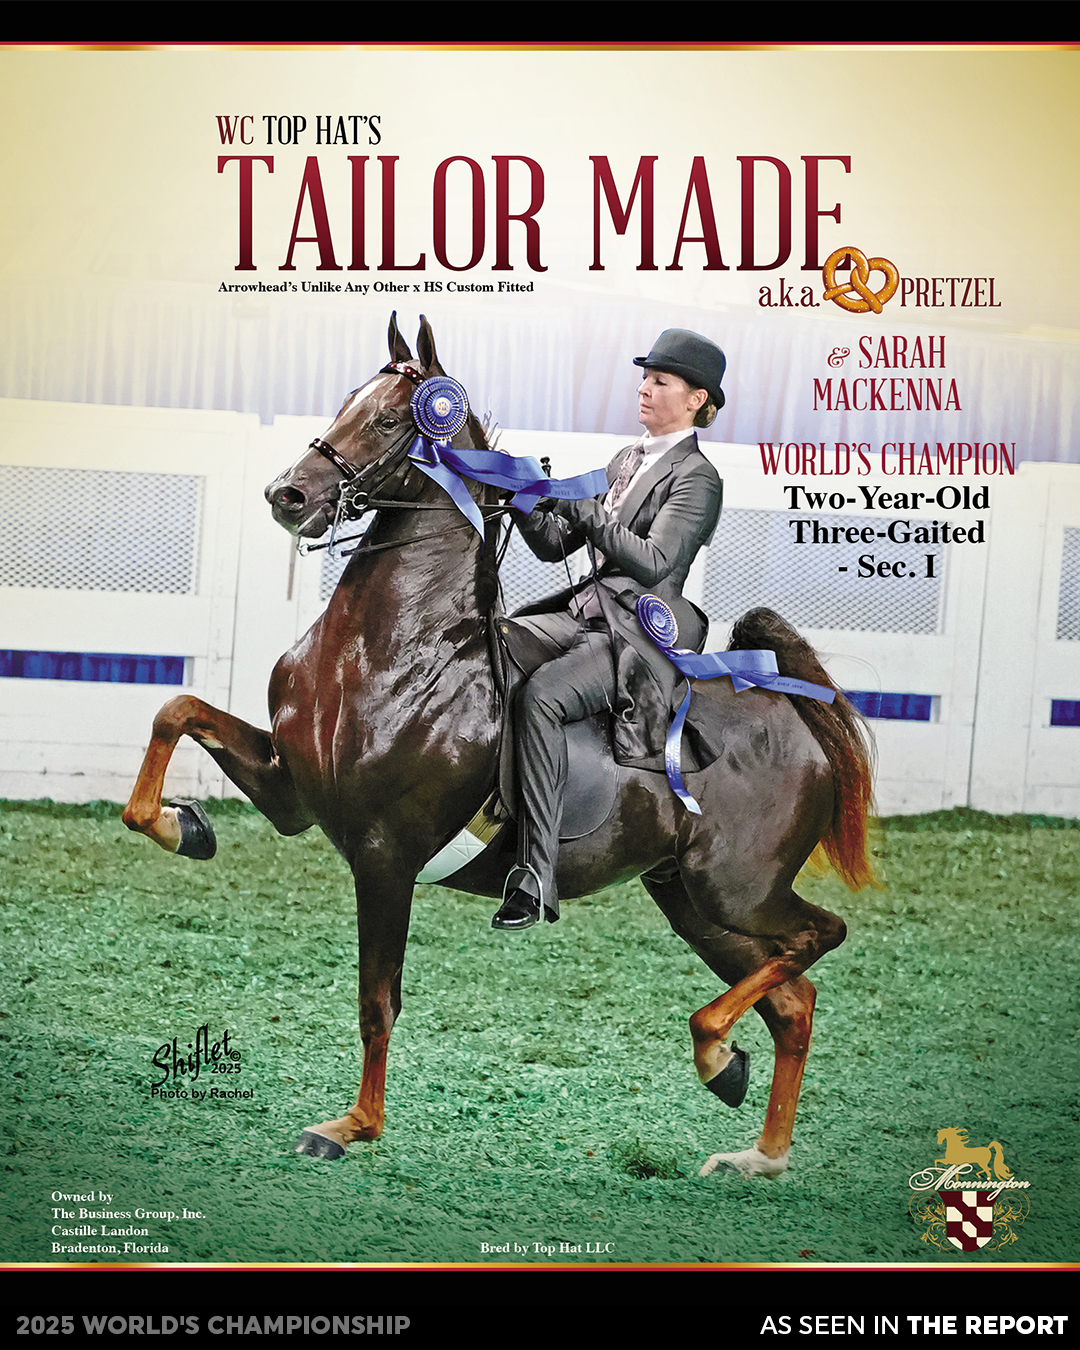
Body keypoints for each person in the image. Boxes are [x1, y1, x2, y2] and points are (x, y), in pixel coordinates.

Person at [492, 329, 725, 930]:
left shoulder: (698, 477)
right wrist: (525, 500)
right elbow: (553, 546)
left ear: (696, 399)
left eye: (660, 381)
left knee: (544, 698)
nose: (644, 389)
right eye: (644, 378)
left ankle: (536, 876)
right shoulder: (625, 460)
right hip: (582, 610)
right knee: (495, 645)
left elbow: (655, 561)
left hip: (637, 632)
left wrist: (589, 512)